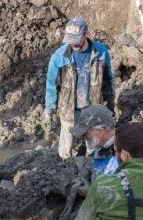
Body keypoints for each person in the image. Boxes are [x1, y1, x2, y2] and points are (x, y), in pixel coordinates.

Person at [44, 17, 115, 159]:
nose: (73, 44)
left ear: (86, 35)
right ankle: (65, 164)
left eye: (76, 39)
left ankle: (87, 163)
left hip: (92, 107)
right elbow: (51, 84)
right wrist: (49, 109)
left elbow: (107, 79)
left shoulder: (100, 52)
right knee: (66, 145)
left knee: (93, 146)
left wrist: (111, 104)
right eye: (70, 40)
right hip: (69, 108)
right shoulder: (59, 57)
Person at [71, 104, 119, 180]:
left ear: (99, 132)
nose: (84, 139)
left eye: (85, 134)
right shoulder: (101, 146)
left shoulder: (121, 154)